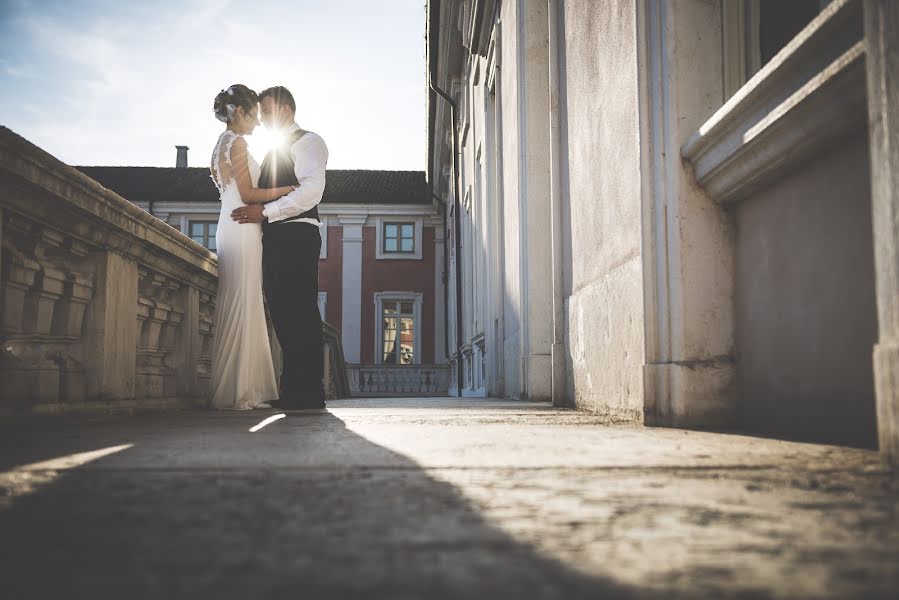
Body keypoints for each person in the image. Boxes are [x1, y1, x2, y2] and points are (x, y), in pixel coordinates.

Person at [231, 85, 329, 410]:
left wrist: (266, 212)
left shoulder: (309, 142)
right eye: (261, 115)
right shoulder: (276, 149)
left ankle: (310, 392)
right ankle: (293, 390)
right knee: (282, 313)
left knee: (301, 310)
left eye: (268, 112)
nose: (264, 120)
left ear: (286, 109)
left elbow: (311, 191)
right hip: (275, 237)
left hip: (298, 235)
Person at [208, 84, 295, 410]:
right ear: (239, 112)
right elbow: (247, 194)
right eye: (254, 116)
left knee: (237, 300)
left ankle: (236, 387)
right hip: (244, 227)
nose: (258, 124)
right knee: (245, 301)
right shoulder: (239, 143)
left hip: (228, 226)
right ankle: (241, 391)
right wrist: (289, 188)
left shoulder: (219, 145)